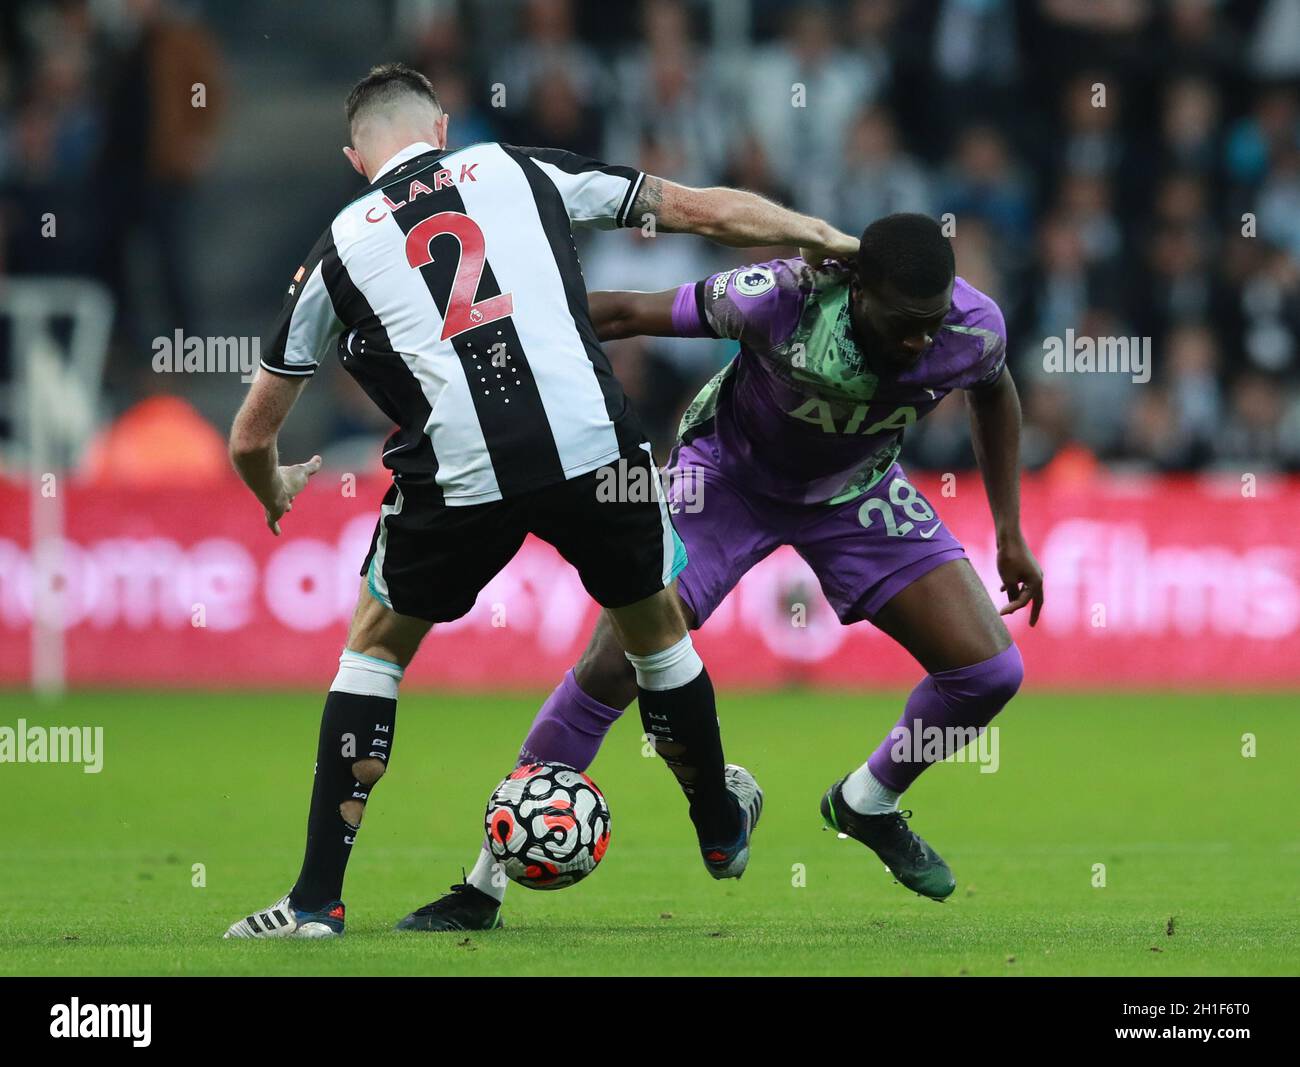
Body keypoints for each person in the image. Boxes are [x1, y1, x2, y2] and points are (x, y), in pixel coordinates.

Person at [221, 63, 859, 939]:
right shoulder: (519, 169)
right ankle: (718, 825)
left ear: (353, 157)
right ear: (443, 129)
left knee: (373, 652)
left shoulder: (338, 247)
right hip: (597, 449)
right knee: (655, 631)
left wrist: (275, 487)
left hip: (458, 473)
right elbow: (702, 210)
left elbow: (251, 436)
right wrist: (815, 231)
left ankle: (314, 905)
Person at [406, 213, 1044, 933]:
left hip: (853, 489)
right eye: (906, 322)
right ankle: (485, 884)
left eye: (932, 322)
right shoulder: (778, 297)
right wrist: (492, 328)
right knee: (619, 656)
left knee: (989, 672)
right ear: (859, 288)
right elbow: (626, 311)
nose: (922, 341)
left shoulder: (972, 327)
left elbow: (994, 392)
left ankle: (868, 800)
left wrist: (1009, 530)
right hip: (724, 483)